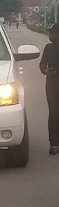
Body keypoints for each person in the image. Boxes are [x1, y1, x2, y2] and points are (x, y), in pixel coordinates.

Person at [40, 23, 59, 154]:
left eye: (52, 33)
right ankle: (54, 144)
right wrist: (46, 71)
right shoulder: (48, 48)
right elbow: (42, 65)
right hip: (52, 84)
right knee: (54, 113)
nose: (50, 35)